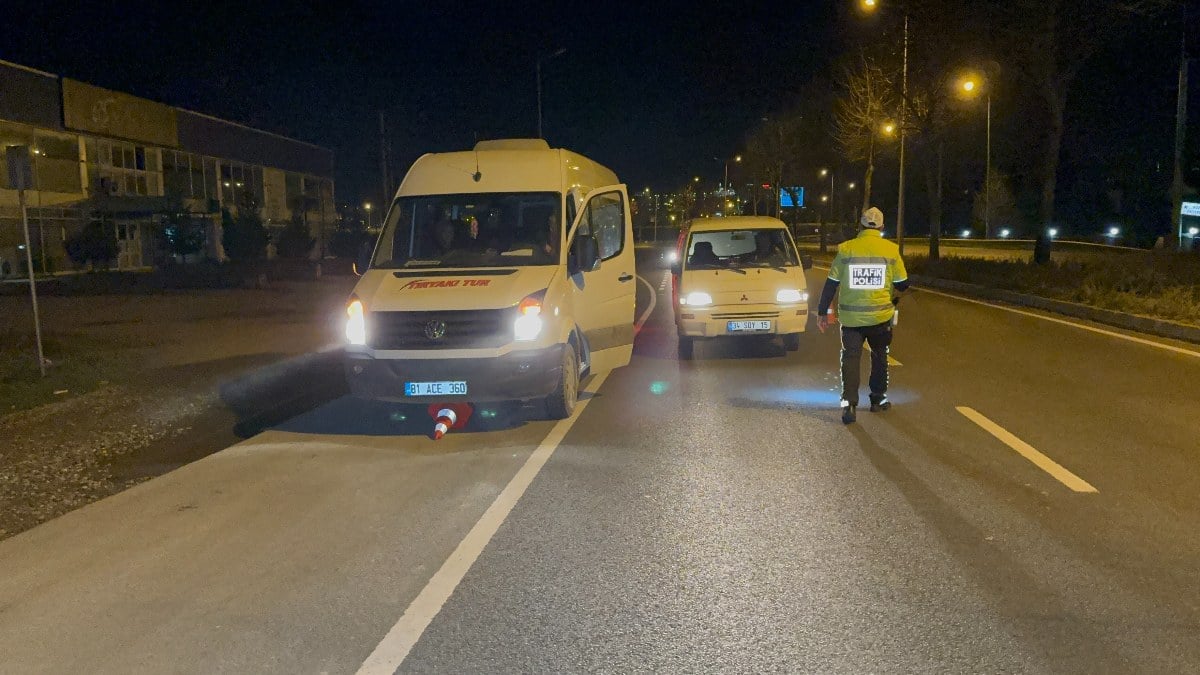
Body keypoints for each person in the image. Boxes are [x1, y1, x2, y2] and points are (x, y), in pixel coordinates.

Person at [816, 206, 909, 424]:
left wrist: (822, 312)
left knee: (850, 358)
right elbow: (903, 284)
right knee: (880, 356)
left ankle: (849, 404)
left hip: (851, 320)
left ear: (860, 225)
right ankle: (877, 400)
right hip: (880, 318)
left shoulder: (847, 249)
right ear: (882, 227)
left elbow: (831, 283)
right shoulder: (891, 250)